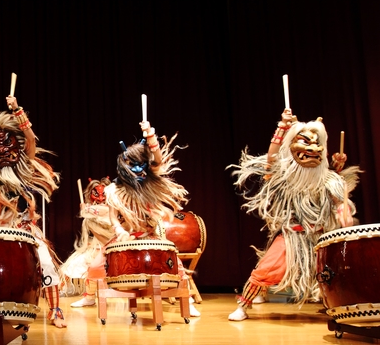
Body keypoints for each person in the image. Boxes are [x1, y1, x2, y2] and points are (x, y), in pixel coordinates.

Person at [228, 109, 359, 321]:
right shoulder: (284, 178)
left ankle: (336, 305)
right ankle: (244, 305)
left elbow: (339, 201)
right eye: (304, 142)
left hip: (319, 237)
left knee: (331, 273)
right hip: (292, 235)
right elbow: (271, 160)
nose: (311, 149)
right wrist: (281, 128)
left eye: (316, 144)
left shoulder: (328, 179)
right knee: (267, 268)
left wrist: (344, 215)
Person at [0, 94, 66, 327]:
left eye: (8, 143)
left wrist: (18, 111)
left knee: (46, 263)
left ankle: (55, 310)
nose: (3, 150)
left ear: (16, 143)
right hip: (0, 231)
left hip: (26, 230)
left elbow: (30, 139)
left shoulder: (25, 165)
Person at [104, 116, 200, 316]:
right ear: (124, 166)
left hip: (151, 233)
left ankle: (187, 300)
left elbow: (157, 159)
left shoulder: (150, 181)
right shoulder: (114, 190)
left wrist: (150, 135)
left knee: (175, 266)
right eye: (133, 165)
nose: (138, 169)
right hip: (126, 236)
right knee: (98, 264)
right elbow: (113, 217)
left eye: (141, 164)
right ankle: (90, 296)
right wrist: (120, 230)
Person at [62, 177, 114, 308]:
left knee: (96, 267)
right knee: (73, 267)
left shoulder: (111, 209)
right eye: (97, 195)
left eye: (104, 195)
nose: (101, 198)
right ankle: (89, 297)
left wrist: (86, 209)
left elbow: (100, 212)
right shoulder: (90, 217)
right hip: (97, 246)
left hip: (113, 245)